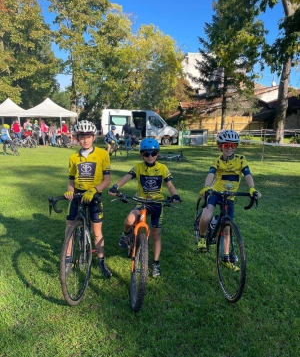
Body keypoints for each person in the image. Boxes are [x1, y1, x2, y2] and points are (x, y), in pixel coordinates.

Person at [108, 138, 181, 277]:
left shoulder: (163, 168)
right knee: (130, 220)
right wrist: (116, 186)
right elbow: (126, 177)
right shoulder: (138, 167)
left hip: (157, 203)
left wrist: (175, 195)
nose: (150, 156)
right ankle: (126, 234)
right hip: (141, 201)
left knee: (156, 234)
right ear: (142, 154)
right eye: (146, 153)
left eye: (153, 153)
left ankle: (155, 264)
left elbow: (170, 185)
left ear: (157, 154)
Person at [197, 129, 261, 261]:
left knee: (227, 228)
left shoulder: (241, 160)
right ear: (220, 146)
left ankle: (225, 256)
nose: (230, 148)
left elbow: (247, 175)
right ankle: (202, 237)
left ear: (236, 146)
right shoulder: (218, 161)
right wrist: (206, 187)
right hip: (215, 192)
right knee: (205, 218)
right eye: (226, 145)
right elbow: (211, 174)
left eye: (233, 145)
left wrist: (252, 188)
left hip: (230, 196)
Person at [64, 119, 112, 277]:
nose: (85, 140)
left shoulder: (103, 154)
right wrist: (70, 191)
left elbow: (107, 180)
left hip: (94, 195)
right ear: (77, 138)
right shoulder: (73, 158)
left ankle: (101, 261)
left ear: (94, 137)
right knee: (69, 227)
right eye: (81, 137)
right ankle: (68, 259)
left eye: (88, 136)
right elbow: (71, 180)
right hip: (78, 194)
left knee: (97, 231)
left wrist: (94, 190)